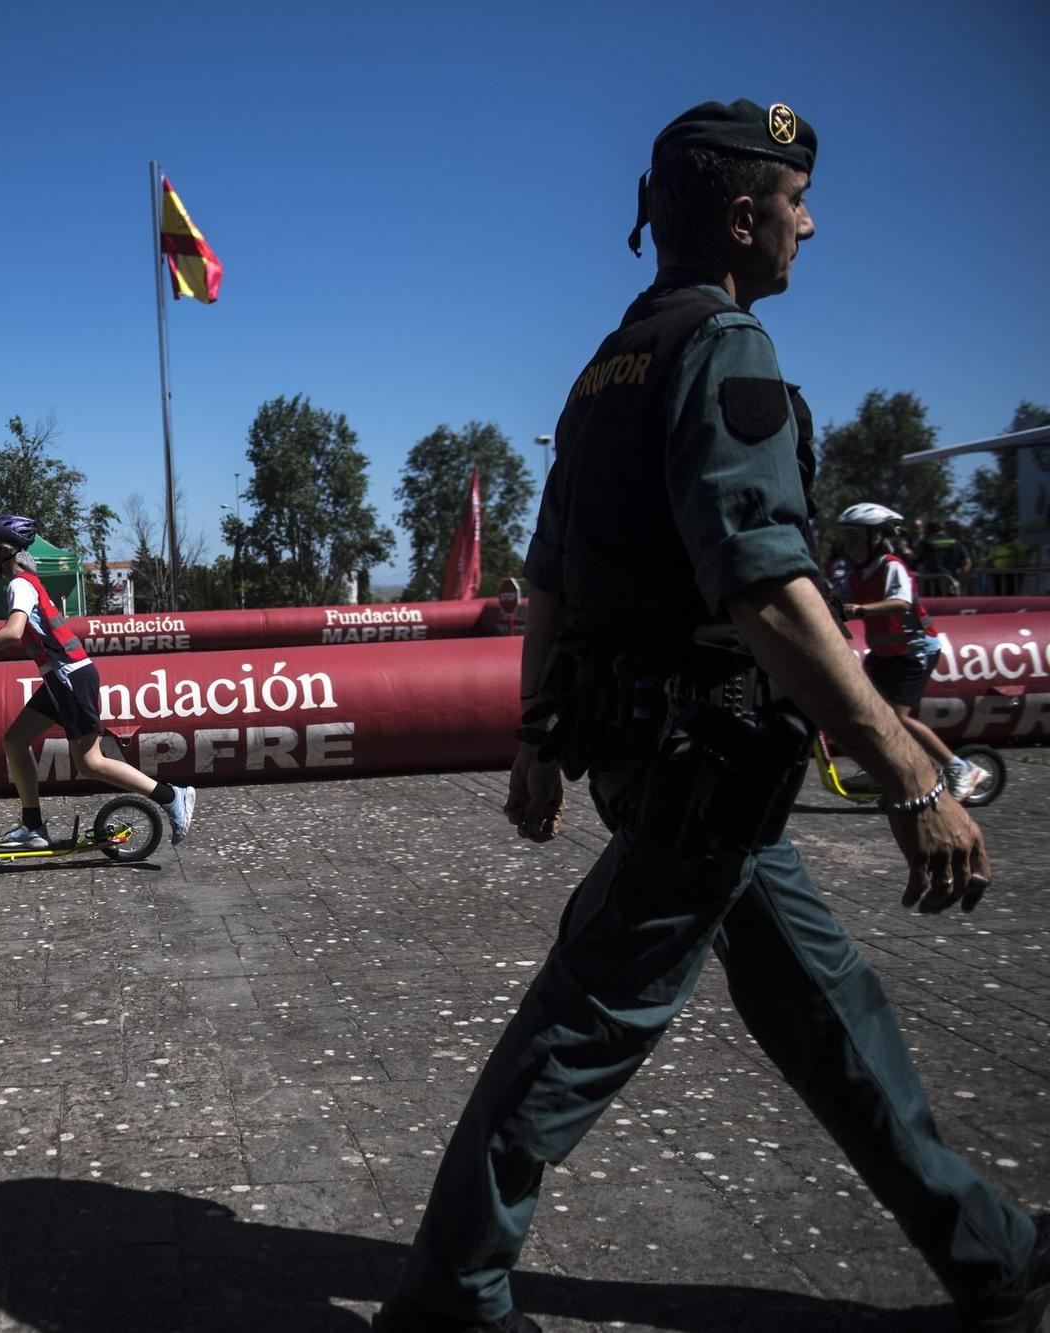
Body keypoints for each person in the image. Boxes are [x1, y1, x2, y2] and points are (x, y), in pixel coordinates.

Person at [378, 100, 1048, 1333]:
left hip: (668, 758)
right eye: (795, 201)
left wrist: (537, 737)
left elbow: (549, 580)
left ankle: (988, 1251)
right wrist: (901, 769)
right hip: (703, 757)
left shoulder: (602, 368)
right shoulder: (723, 346)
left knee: (825, 1003)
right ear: (743, 216)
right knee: (581, 1025)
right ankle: (445, 1297)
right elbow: (762, 587)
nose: (811, 222)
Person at [0, 514, 195, 847]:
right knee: (15, 741)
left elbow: (13, 632)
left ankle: (172, 796)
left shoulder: (19, 584)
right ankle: (33, 828)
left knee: (90, 762)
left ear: (4, 551)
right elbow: (20, 632)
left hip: (69, 678)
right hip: (61, 679)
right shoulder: (25, 584)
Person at [839, 503, 993, 801]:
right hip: (884, 654)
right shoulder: (857, 574)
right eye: (847, 537)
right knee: (868, 712)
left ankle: (960, 768)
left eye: (855, 537)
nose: (849, 544)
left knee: (897, 718)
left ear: (876, 538)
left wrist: (859, 609)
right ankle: (882, 769)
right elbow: (836, 597)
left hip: (913, 652)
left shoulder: (891, 566)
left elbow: (901, 602)